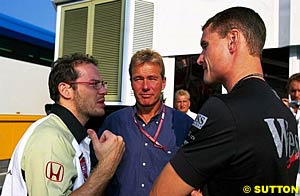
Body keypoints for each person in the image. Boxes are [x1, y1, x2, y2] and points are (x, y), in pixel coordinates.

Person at [151, 7, 299, 196]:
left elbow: (160, 193)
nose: (199, 59)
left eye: (205, 46)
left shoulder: (223, 110)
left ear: (232, 40)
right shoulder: (285, 114)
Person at [2, 53, 125, 195]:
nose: (104, 90)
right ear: (65, 90)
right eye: (94, 84)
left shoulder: (71, 134)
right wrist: (107, 165)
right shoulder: (50, 139)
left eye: (102, 84)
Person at [92, 48, 193, 196]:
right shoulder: (113, 123)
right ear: (131, 82)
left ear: (163, 83)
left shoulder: (183, 125)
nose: (145, 87)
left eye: (152, 78)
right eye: (138, 79)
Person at [282, 73, 300, 195]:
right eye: (293, 91)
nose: (297, 95)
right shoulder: (284, 111)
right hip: (289, 171)